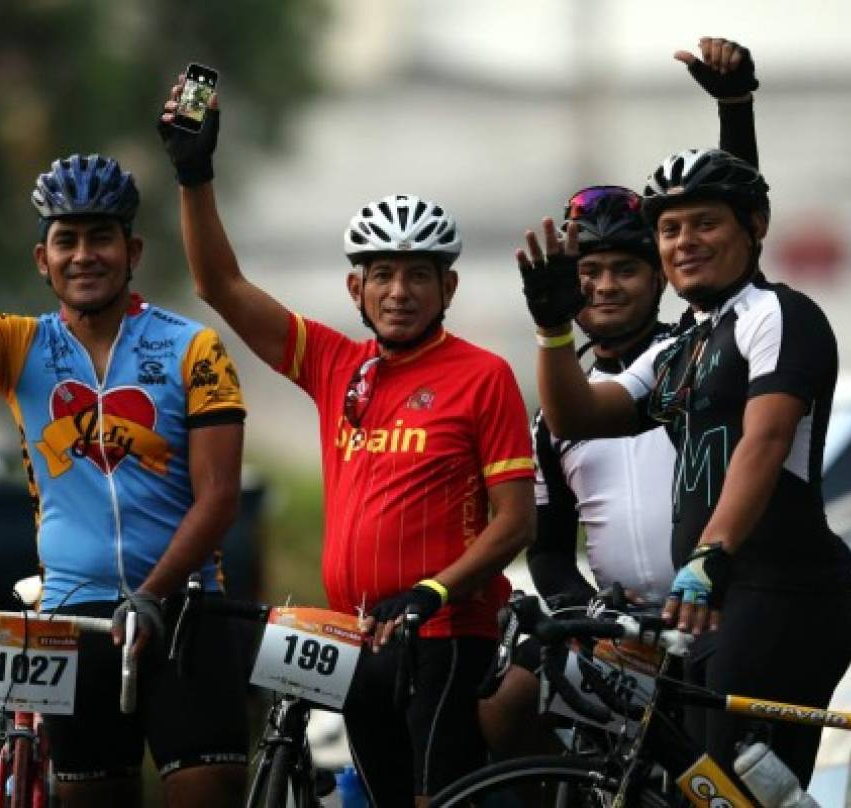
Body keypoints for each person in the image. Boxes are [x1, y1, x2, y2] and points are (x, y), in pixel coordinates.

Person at [157, 83, 535, 805]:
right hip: (355, 638)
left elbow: (516, 521)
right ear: (355, 288)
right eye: (383, 276)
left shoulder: (483, 376)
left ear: (448, 286)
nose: (400, 292)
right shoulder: (337, 364)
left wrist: (433, 591)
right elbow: (218, 283)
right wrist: (193, 175)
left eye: (418, 275)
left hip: (446, 634)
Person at [0, 154, 249, 808]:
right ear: (42, 259)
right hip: (72, 620)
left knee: (209, 790)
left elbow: (219, 497)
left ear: (132, 250)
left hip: (185, 609)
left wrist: (152, 595)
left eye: (101, 236)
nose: (85, 254)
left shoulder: (195, 348)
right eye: (67, 239)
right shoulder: (20, 346)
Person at [518, 145, 851, 785]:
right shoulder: (685, 344)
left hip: (780, 592)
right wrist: (553, 329)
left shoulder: (778, 314)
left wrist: (708, 556)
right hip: (712, 606)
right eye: (670, 229)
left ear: (754, 226)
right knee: (700, 794)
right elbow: (576, 416)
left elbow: (764, 440)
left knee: (732, 793)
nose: (684, 242)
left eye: (705, 223)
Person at [481, 36, 762, 761]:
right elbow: (547, 550)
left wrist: (735, 108)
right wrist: (584, 617)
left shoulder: (697, 352)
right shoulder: (554, 406)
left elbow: (735, 237)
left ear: (662, 277)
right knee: (505, 703)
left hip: (712, 617)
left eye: (625, 270)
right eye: (589, 272)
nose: (604, 287)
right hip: (620, 633)